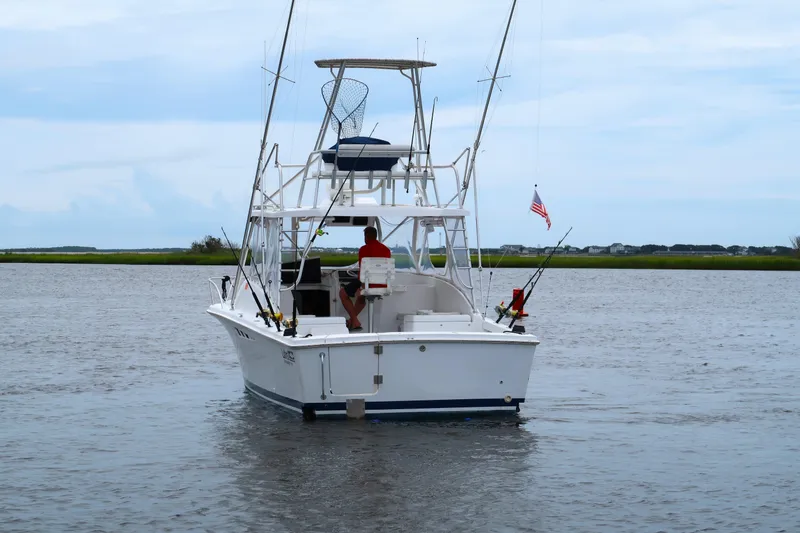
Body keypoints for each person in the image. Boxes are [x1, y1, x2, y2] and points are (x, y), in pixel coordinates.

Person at [339, 226, 391, 331]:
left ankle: (354, 321)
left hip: (368, 283)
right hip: (383, 283)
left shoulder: (364, 249)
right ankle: (352, 321)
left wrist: (362, 287)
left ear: (366, 236)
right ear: (375, 236)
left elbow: (363, 269)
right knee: (361, 297)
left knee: (343, 293)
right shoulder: (386, 250)